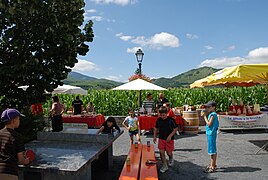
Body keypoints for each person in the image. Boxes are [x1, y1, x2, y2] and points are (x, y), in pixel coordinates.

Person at [0, 109, 30, 179]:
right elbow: (21, 159)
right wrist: (26, 161)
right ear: (14, 120)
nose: (19, 121)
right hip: (9, 172)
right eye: (19, 119)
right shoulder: (16, 136)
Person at [153, 106, 178, 173]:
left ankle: (171, 157)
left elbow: (175, 129)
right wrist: (155, 137)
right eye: (160, 115)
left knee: (169, 153)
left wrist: (170, 136)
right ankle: (164, 165)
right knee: (161, 152)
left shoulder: (171, 120)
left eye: (163, 115)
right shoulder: (158, 120)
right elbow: (155, 128)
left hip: (169, 140)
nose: (162, 116)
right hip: (161, 138)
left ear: (167, 113)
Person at [201, 101, 219, 173]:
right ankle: (213, 164)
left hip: (211, 133)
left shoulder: (212, 115)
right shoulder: (213, 114)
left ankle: (212, 166)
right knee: (213, 149)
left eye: (209, 107)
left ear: (213, 107)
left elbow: (209, 124)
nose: (207, 108)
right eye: (207, 107)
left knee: (212, 150)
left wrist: (204, 116)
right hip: (211, 133)